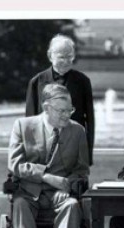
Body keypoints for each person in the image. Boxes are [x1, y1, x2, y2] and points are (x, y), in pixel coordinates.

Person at [8, 83, 89, 228]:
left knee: (71, 205)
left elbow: (81, 170)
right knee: (19, 204)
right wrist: (46, 177)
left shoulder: (77, 131)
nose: (66, 115)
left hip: (60, 194)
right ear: (46, 108)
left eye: (70, 110)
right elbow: (15, 165)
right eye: (61, 111)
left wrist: (68, 185)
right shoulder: (23, 126)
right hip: (29, 192)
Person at [25, 34, 95, 166]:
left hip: (74, 150)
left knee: (75, 186)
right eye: (61, 57)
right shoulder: (36, 82)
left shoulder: (83, 82)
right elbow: (29, 123)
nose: (66, 61)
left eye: (70, 56)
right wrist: (31, 155)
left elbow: (90, 121)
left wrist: (87, 155)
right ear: (50, 55)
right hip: (44, 152)